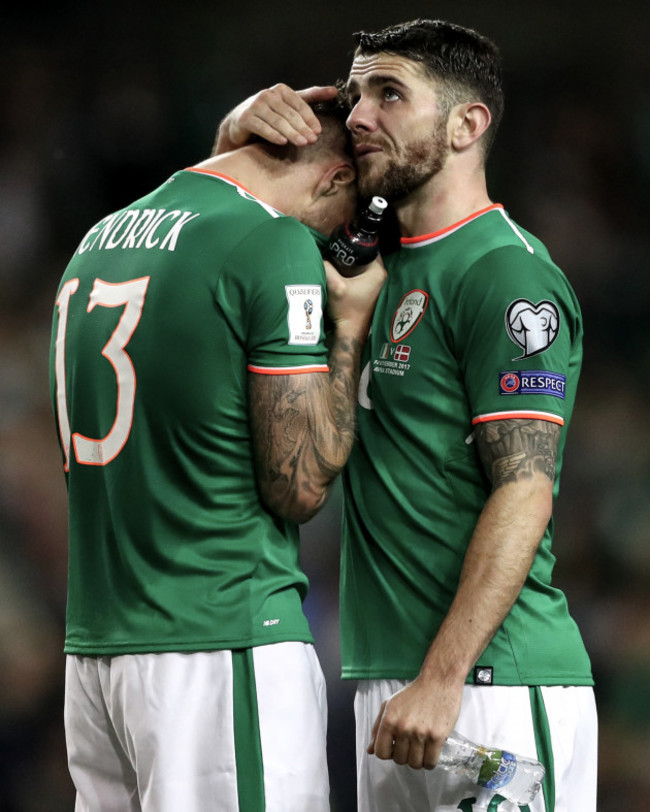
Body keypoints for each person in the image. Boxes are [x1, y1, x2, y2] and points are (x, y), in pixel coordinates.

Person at [216, 18, 597, 812]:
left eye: (389, 94)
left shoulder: (503, 274)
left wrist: (444, 677)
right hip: (387, 686)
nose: (357, 116)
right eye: (355, 95)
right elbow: (218, 235)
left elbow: (525, 489)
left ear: (468, 124)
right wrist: (233, 130)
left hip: (491, 687)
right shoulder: (362, 258)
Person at [49, 96, 385, 812]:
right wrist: (348, 332)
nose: (340, 246)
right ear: (331, 178)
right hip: (221, 640)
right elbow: (299, 485)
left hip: (97, 657)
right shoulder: (273, 244)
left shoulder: (104, 233)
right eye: (347, 220)